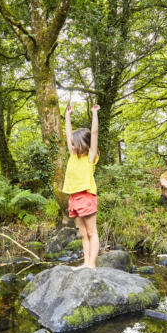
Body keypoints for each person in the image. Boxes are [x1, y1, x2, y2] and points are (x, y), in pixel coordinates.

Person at [63, 103, 100, 269]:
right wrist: (67, 116)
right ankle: (86, 263)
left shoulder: (90, 156)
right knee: (83, 233)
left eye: (74, 142)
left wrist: (94, 113)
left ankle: (92, 264)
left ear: (82, 143)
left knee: (92, 232)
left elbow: (94, 133)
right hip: (73, 197)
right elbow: (67, 133)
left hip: (86, 195)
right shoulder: (72, 155)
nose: (71, 144)